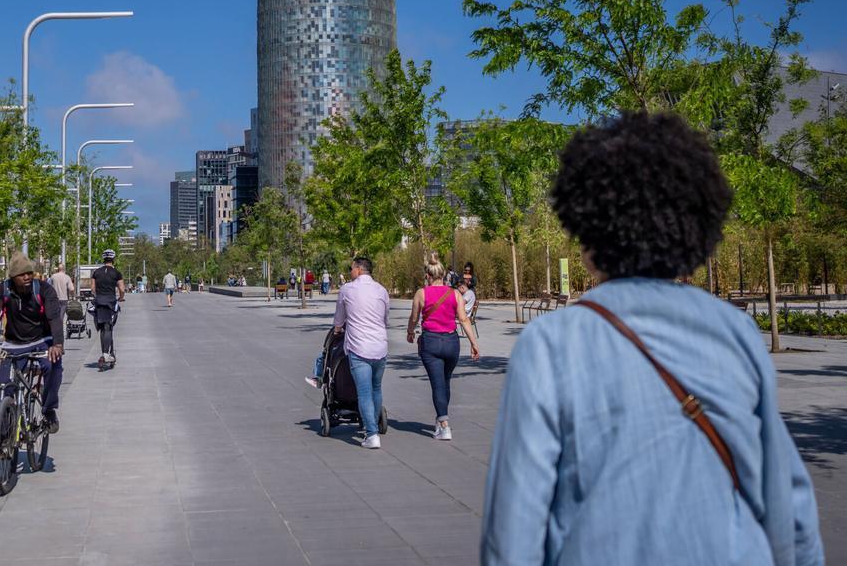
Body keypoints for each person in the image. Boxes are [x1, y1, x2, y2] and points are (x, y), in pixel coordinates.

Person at [481, 112, 824, 565]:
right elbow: (783, 495)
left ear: (587, 229)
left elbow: (514, 527)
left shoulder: (551, 343)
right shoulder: (734, 330)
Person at [0, 253, 64, 433]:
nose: (27, 277)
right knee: (4, 387)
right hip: (13, 344)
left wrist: (57, 344)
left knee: (53, 368)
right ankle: (4, 435)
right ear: (12, 277)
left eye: (30, 273)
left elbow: (54, 316)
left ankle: (49, 409)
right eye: (22, 274)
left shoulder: (44, 289)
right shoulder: (2, 290)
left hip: (43, 341)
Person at [405, 256, 480, 440]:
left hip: (431, 342)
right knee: (445, 381)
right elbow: (464, 319)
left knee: (437, 383)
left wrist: (410, 332)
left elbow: (414, 318)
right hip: (452, 343)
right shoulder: (455, 294)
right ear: (444, 275)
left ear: (428, 275)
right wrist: (473, 343)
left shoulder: (421, 294)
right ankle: (440, 420)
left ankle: (444, 425)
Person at [332, 256, 390, 449]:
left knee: (364, 392)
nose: (350, 272)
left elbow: (339, 318)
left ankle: (372, 434)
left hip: (359, 348)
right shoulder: (382, 290)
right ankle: (369, 424)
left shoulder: (347, 289)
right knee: (376, 388)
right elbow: (385, 318)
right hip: (380, 347)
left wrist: (338, 329)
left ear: (358, 269)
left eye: (351, 268)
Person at [91, 249, 125, 369]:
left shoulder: (96, 272)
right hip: (110, 302)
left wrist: (97, 296)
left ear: (103, 259)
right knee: (109, 327)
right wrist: (121, 298)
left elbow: (93, 289)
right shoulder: (116, 273)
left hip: (99, 302)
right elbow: (122, 289)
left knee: (102, 328)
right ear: (113, 259)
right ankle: (106, 354)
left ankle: (106, 353)